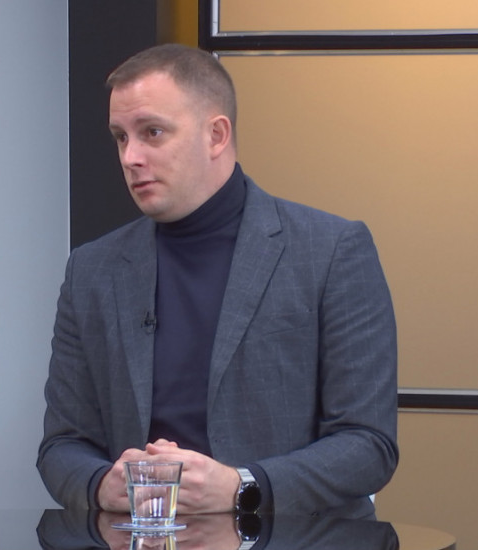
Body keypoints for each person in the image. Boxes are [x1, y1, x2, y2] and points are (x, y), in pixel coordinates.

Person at [37, 43, 398, 518]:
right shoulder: (90, 270)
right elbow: (62, 446)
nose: (130, 156)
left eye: (152, 132)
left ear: (216, 135)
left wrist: (242, 486)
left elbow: (369, 445)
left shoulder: (331, 251)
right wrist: (103, 485)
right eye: (121, 137)